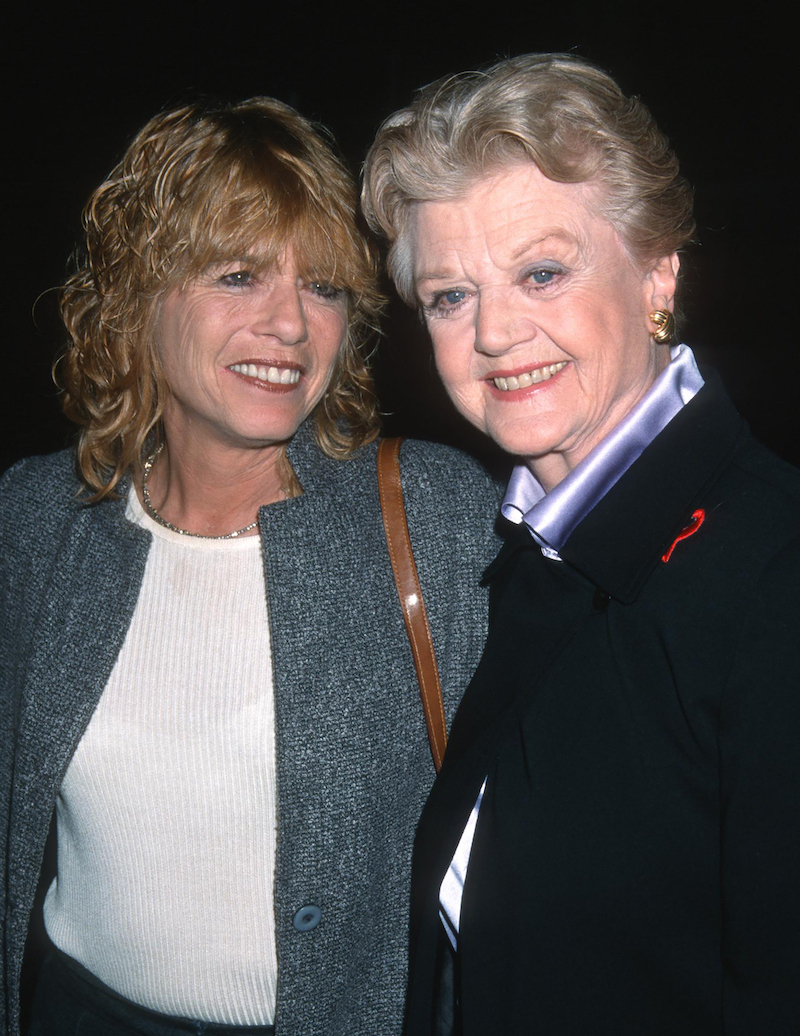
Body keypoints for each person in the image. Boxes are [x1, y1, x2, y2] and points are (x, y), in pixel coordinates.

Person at [0, 98, 500, 1036]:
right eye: (238, 276)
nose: (290, 326)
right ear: (138, 295)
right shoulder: (36, 521)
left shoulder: (431, 514)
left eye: (323, 287)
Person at [362, 53, 800, 1034]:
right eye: (449, 295)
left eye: (541, 272)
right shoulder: (536, 561)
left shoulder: (771, 577)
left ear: (656, 272)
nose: (493, 334)